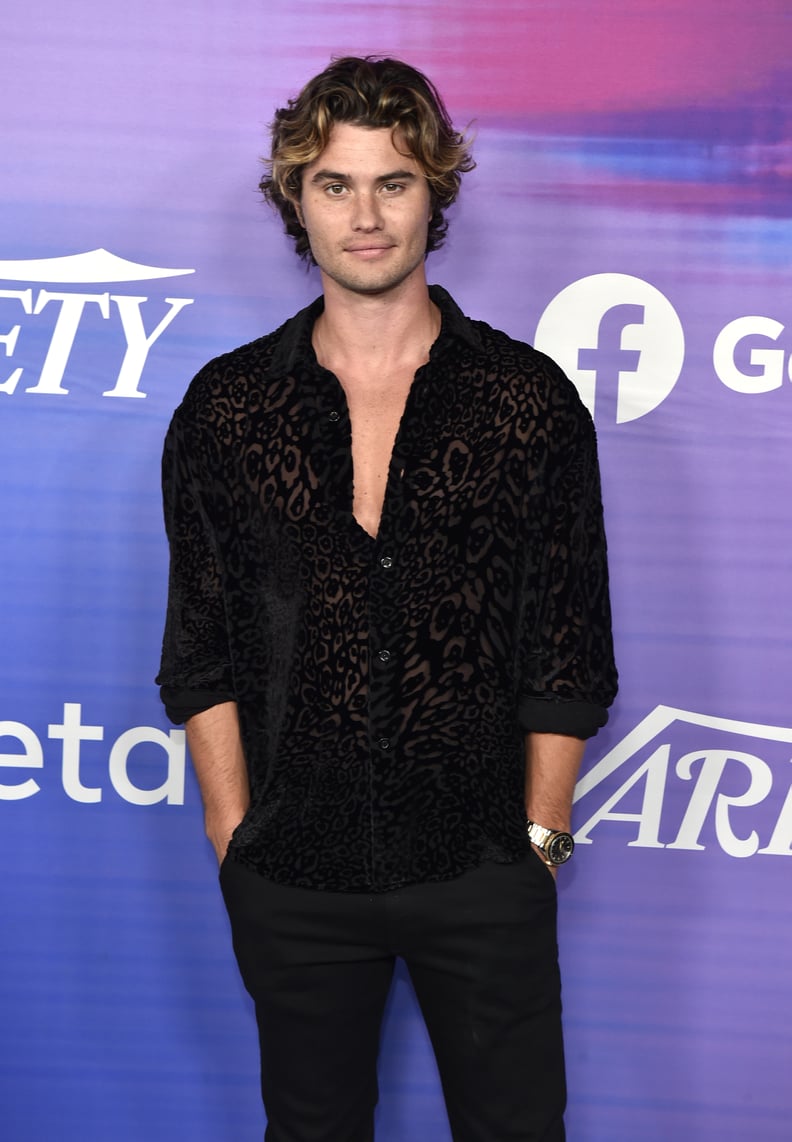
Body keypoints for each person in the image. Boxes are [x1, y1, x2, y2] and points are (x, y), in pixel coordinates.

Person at [157, 55, 617, 1142]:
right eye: (334, 184)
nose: (365, 216)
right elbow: (202, 645)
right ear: (297, 202)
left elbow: (568, 641)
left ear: (434, 193)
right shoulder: (228, 407)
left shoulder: (525, 400)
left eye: (393, 182)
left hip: (481, 869)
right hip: (294, 873)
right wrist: (237, 836)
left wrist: (540, 840)